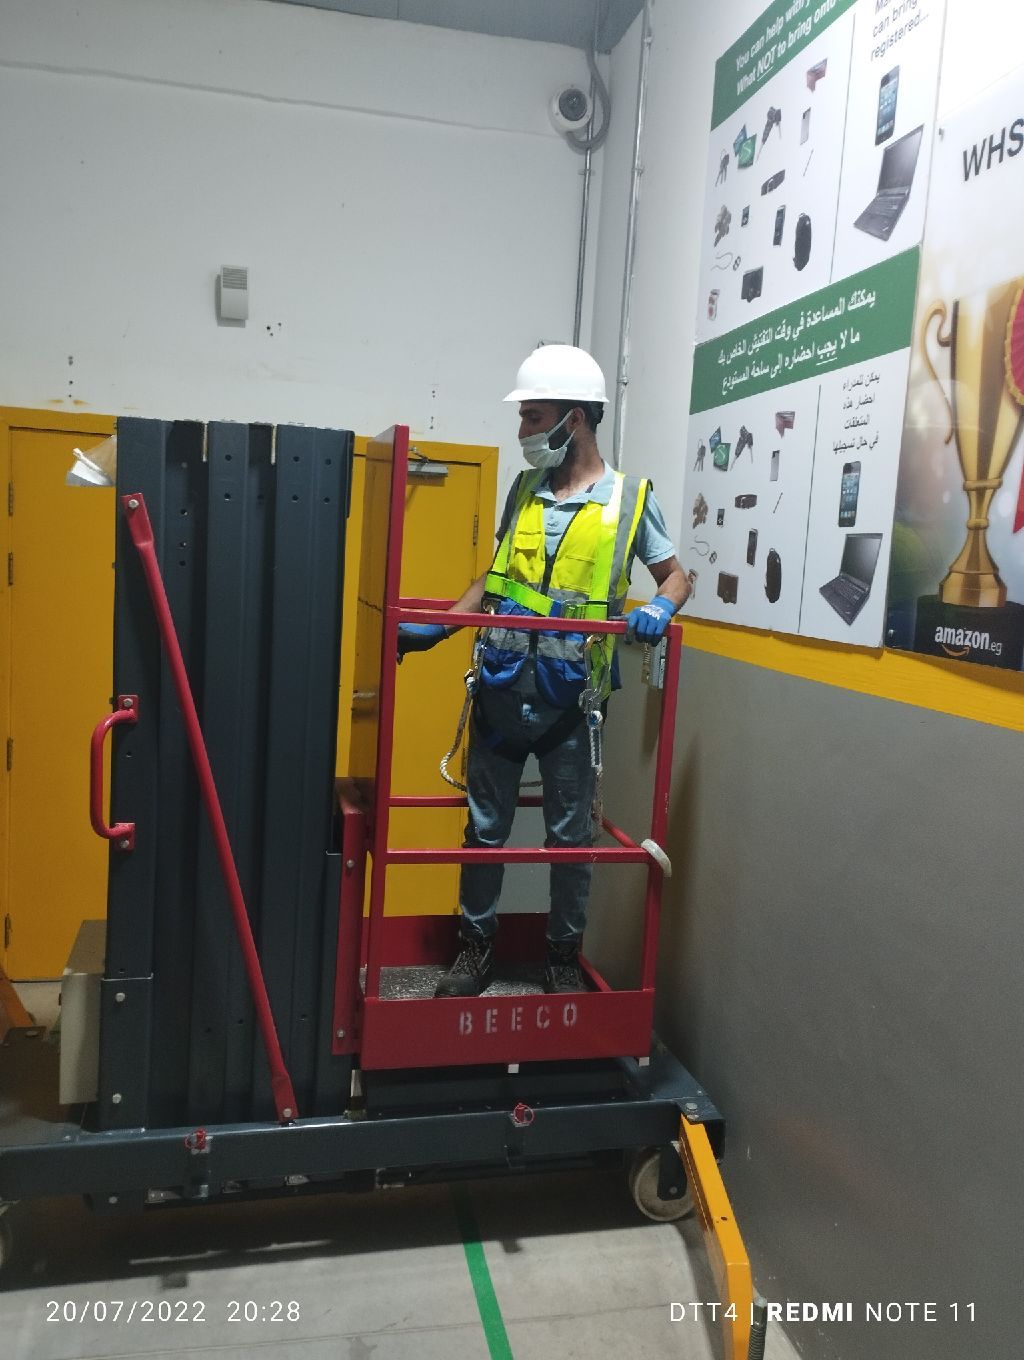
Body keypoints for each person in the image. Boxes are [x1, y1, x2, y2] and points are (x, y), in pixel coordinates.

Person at [398, 345, 692, 998]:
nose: (523, 430)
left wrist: (661, 607)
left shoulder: (630, 500)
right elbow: (494, 578)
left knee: (570, 841)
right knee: (483, 834)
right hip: (501, 691)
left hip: (573, 706)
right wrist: (439, 628)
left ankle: (561, 958)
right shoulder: (524, 491)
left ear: (574, 419)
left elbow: (676, 575)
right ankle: (475, 951)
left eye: (533, 417)